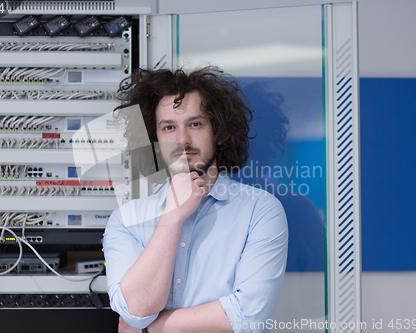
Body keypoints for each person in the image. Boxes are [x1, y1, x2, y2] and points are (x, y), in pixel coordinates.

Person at [102, 67, 288, 333]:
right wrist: (171, 217)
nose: (182, 140)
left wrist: (148, 329)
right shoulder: (126, 220)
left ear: (220, 133)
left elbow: (247, 318)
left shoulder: (260, 211)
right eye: (168, 127)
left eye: (195, 124)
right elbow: (136, 310)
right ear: (155, 140)